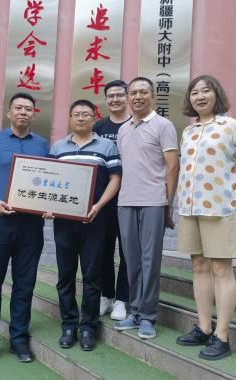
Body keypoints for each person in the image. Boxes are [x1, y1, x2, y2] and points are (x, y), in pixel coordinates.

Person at [175, 75, 236, 360]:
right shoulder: (188, 131)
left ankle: (222, 336)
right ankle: (204, 327)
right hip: (189, 207)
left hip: (220, 208)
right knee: (199, 265)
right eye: (194, 92)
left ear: (216, 94)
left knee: (222, 269)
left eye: (205, 91)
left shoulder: (232, 127)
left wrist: (235, 199)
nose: (199, 96)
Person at [0, 92, 50, 365]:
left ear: (33, 114)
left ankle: (18, 338)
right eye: (18, 108)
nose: (23, 112)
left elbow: (49, 181)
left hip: (31, 225)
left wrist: (50, 206)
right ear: (9, 113)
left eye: (28, 109)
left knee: (24, 285)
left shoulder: (42, 144)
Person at [48, 99, 121, 351]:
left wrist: (99, 205)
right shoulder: (58, 147)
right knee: (65, 275)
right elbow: (49, 180)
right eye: (76, 114)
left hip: (95, 220)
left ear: (94, 118)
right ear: (70, 118)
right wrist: (48, 205)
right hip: (64, 222)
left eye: (86, 114)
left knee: (92, 276)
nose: (81, 118)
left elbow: (115, 179)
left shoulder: (107, 146)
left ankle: (89, 326)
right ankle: (69, 324)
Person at [114, 77, 179, 340]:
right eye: (133, 93)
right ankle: (135, 311)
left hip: (154, 201)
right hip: (126, 201)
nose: (138, 97)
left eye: (143, 92)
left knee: (150, 260)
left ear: (152, 95)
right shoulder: (123, 129)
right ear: (128, 97)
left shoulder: (164, 125)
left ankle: (148, 317)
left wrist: (169, 204)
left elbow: (172, 167)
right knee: (131, 260)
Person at [93, 80, 131, 321]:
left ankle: (122, 299)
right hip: (104, 199)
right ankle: (106, 295)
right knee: (103, 249)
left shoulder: (135, 123)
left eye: (119, 95)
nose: (115, 99)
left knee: (127, 251)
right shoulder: (98, 126)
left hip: (131, 197)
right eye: (110, 96)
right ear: (106, 100)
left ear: (127, 97)